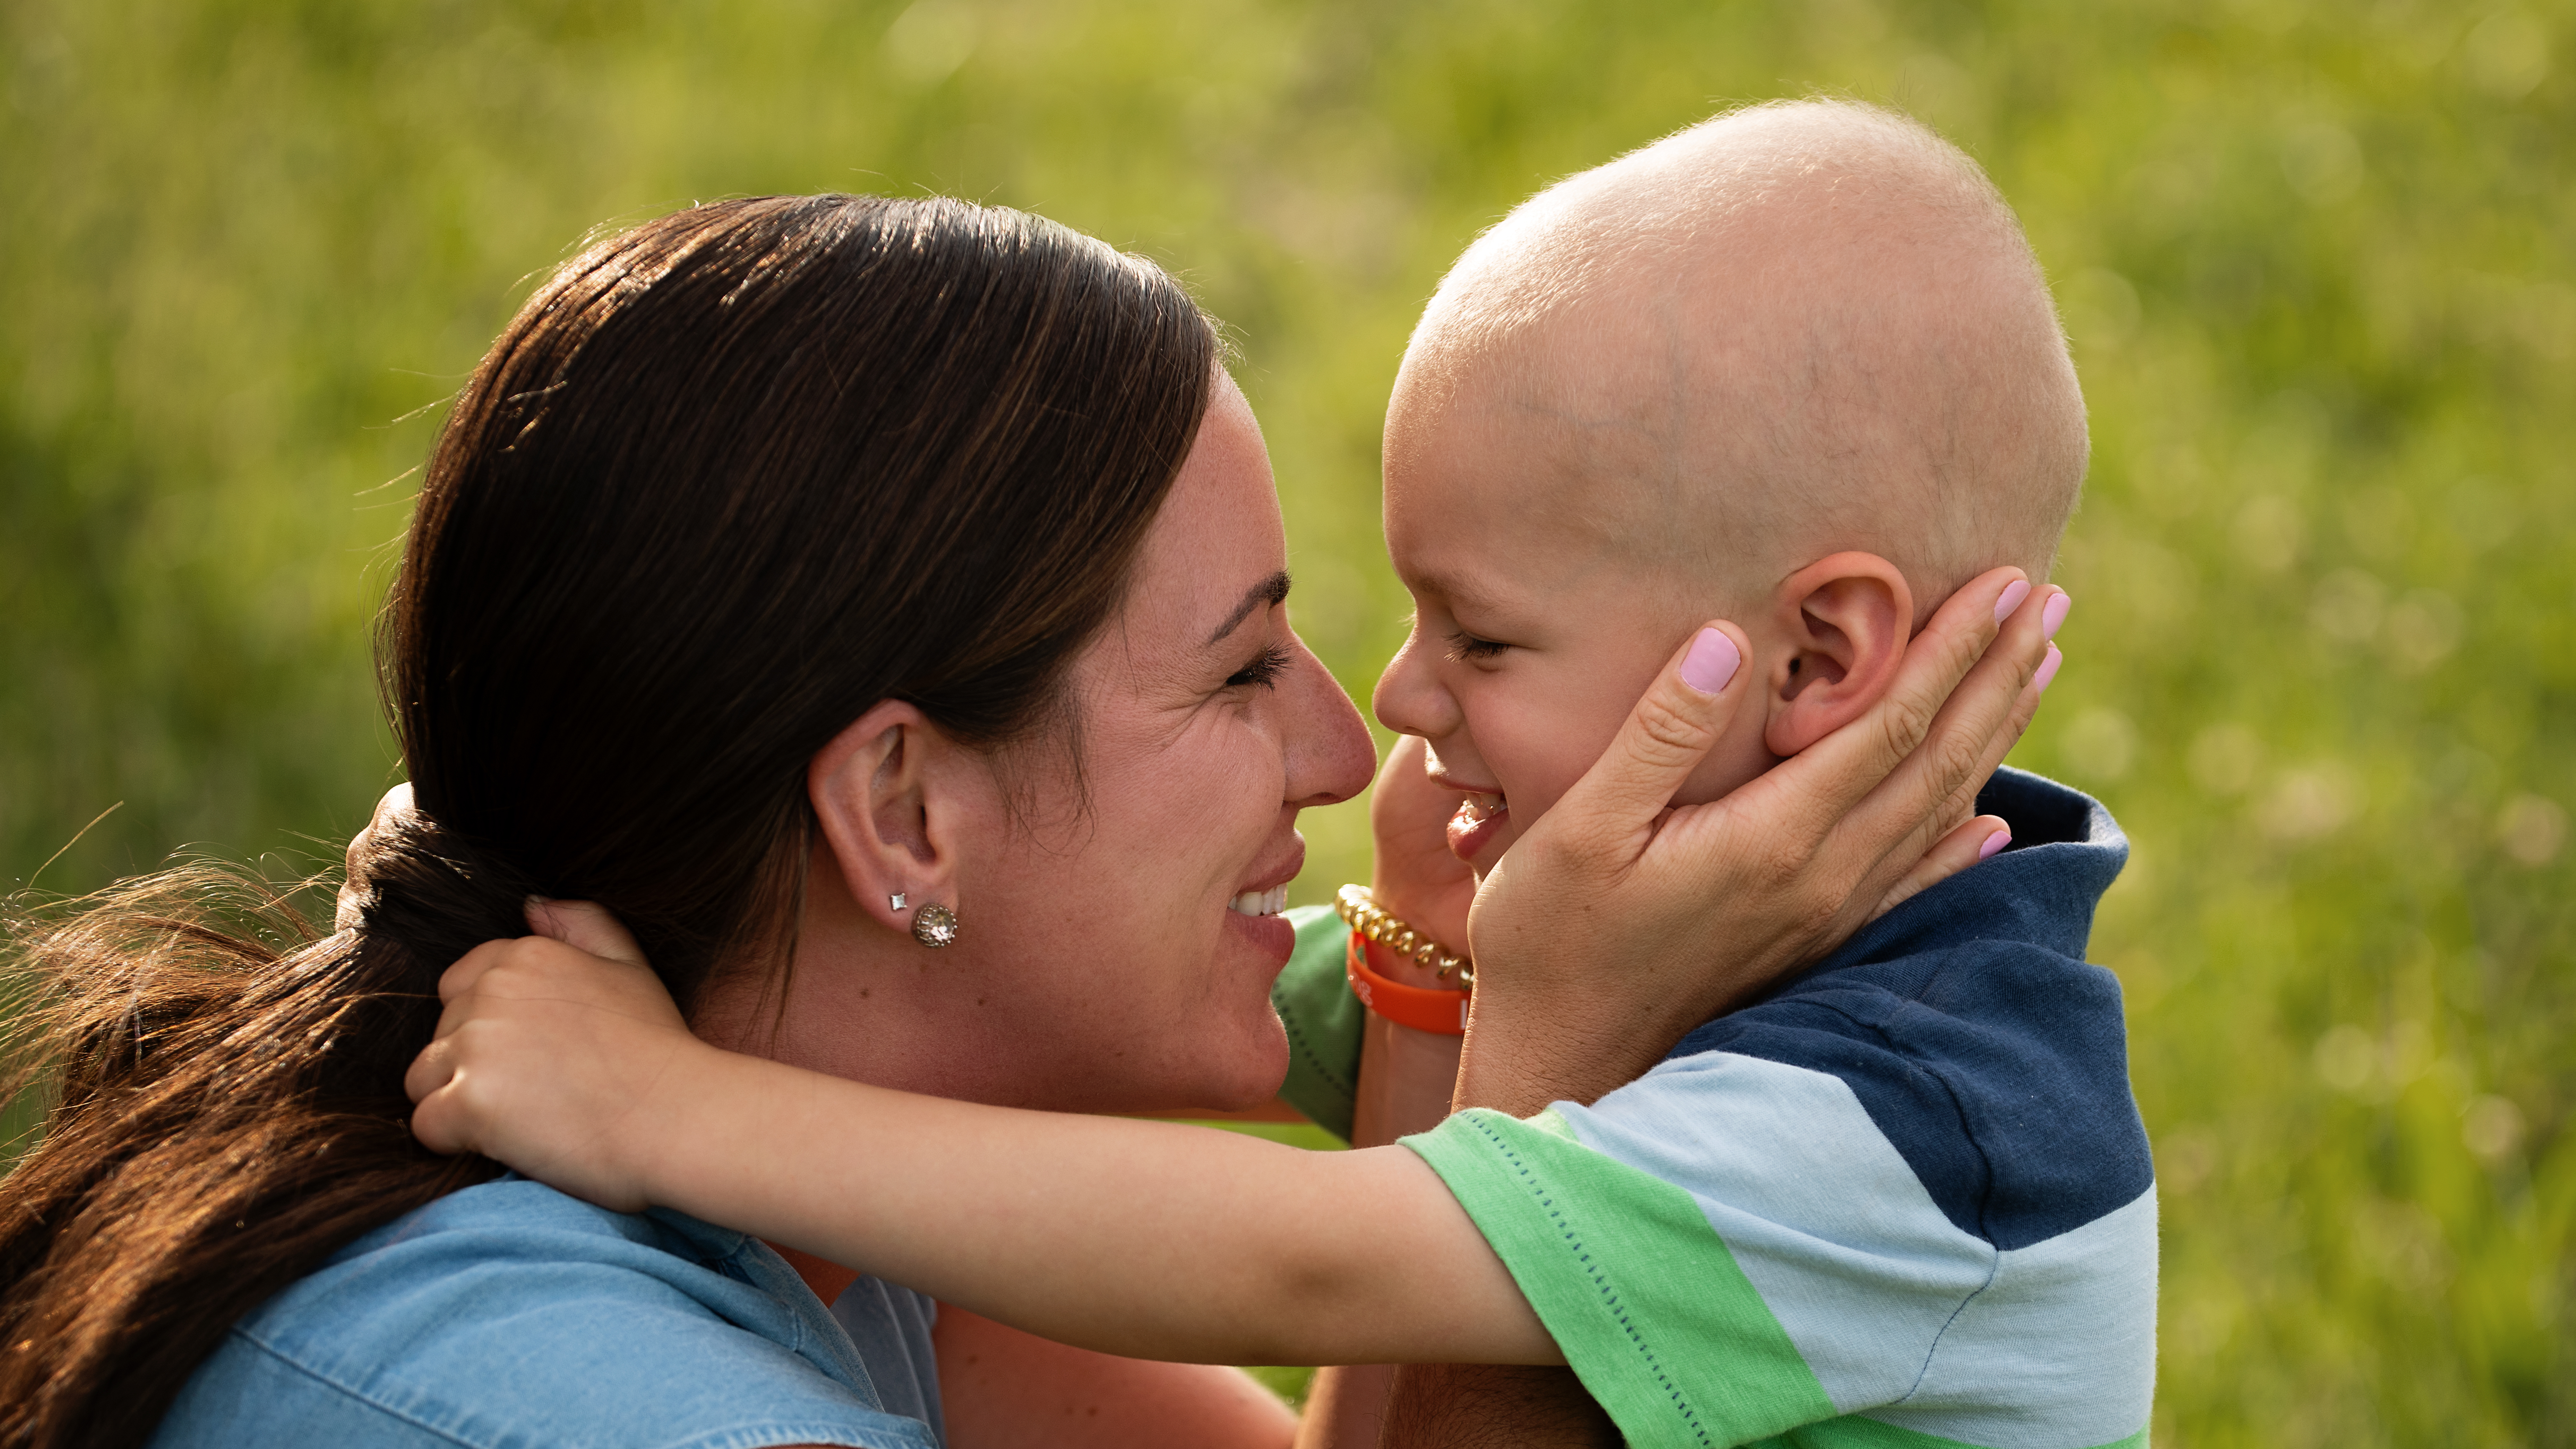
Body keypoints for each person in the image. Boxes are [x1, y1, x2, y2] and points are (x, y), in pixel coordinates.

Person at [0, 188, 2043, 1449]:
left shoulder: (839, 1208)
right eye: (1243, 670)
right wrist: (1563, 1053)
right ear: (904, 810)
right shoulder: (608, 1409)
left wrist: (1447, 1001)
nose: (1350, 749)